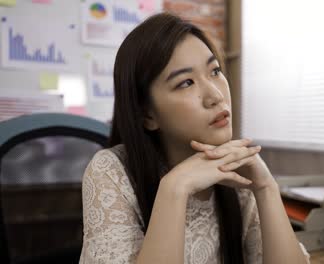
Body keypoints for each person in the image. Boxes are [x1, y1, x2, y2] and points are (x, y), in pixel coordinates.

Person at [79, 12, 310, 264]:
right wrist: (175, 188)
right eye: (186, 82)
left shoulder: (237, 174)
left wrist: (266, 188)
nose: (215, 95)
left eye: (215, 71)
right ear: (147, 115)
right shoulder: (111, 171)